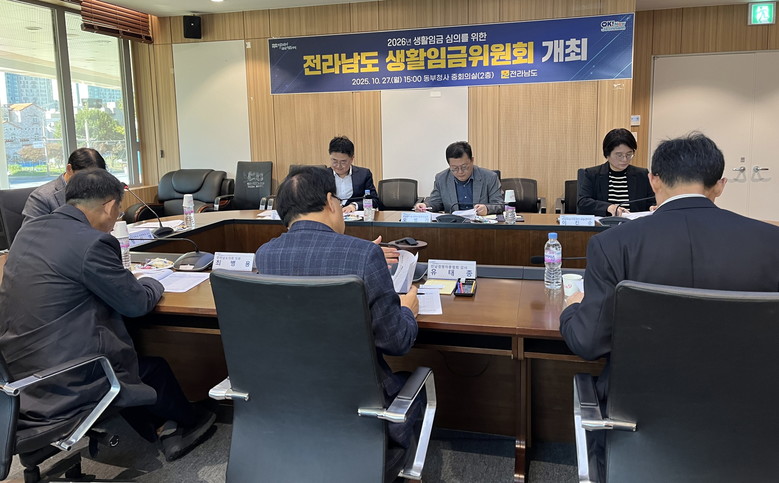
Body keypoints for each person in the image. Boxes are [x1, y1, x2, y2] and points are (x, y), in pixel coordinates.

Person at [559, 133, 779, 477]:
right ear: (720, 186)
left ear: (654, 180)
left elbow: (588, 343)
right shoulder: (771, 243)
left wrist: (571, 308)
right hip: (753, 426)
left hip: (638, 428)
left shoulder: (613, 244)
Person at [0, 169, 215, 462]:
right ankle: (185, 422)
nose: (115, 222)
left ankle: (158, 425)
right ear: (110, 205)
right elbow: (136, 303)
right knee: (153, 368)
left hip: (17, 375)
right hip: (65, 378)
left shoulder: (27, 233)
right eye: (118, 212)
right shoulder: (92, 243)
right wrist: (153, 281)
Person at [255, 166, 419, 448]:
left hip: (291, 401)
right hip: (361, 407)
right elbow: (397, 341)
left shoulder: (264, 255)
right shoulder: (365, 255)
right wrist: (408, 309)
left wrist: (360, 252)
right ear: (331, 202)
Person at [577, 128, 654, 216]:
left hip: (634, 223)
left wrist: (653, 207)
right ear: (607, 154)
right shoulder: (592, 174)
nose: (624, 159)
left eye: (629, 154)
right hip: (605, 224)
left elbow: (652, 202)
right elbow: (583, 203)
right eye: (619, 155)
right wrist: (608, 207)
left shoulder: (642, 175)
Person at [414, 141, 502, 215]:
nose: (460, 172)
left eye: (464, 167)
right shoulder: (441, 178)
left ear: (472, 160)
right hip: (454, 225)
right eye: (454, 168)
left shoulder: (490, 177)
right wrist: (425, 206)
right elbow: (436, 202)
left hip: (480, 225)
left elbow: (500, 205)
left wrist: (487, 208)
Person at [22, 147, 107, 223]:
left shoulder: (99, 191)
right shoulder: (41, 198)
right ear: (69, 169)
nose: (90, 183)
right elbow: (31, 234)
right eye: (85, 177)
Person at [328, 135, 379, 213]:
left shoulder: (364, 174)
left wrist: (354, 206)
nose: (338, 166)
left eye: (343, 162)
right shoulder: (322, 175)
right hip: (330, 216)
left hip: (355, 217)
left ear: (352, 159)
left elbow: (374, 200)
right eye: (334, 161)